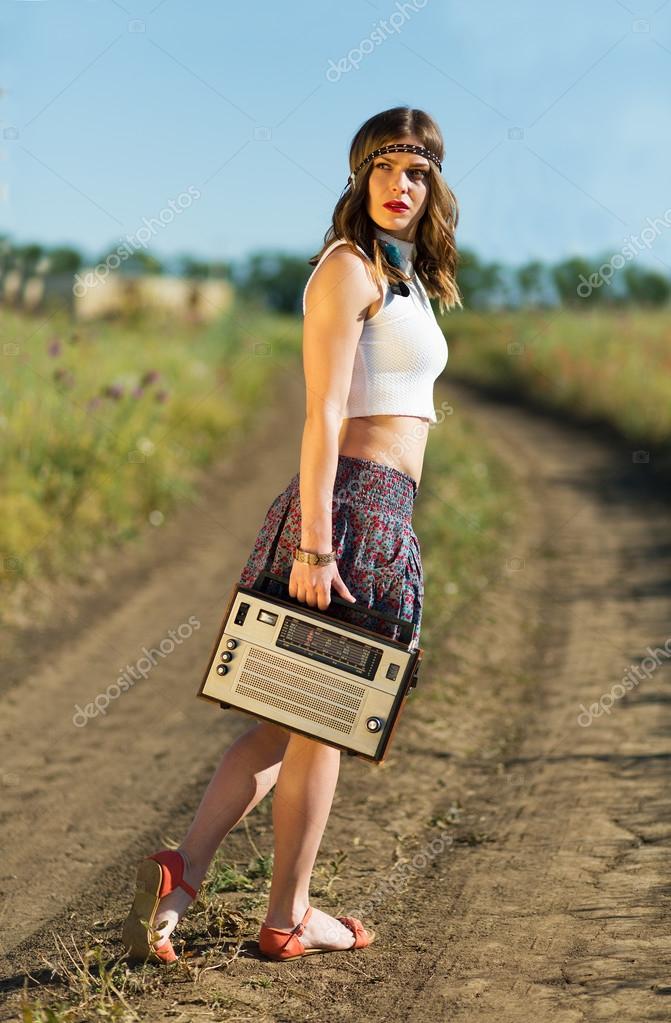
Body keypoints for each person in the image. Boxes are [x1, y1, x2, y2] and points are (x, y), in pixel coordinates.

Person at [121, 104, 461, 964]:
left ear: (434, 185)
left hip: (381, 519)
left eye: (416, 171)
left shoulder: (404, 278)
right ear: (359, 177)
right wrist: (315, 542)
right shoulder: (347, 269)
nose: (400, 185)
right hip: (345, 513)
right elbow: (323, 410)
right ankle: (288, 914)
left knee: (282, 726)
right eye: (384, 167)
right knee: (324, 724)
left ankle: (182, 873)